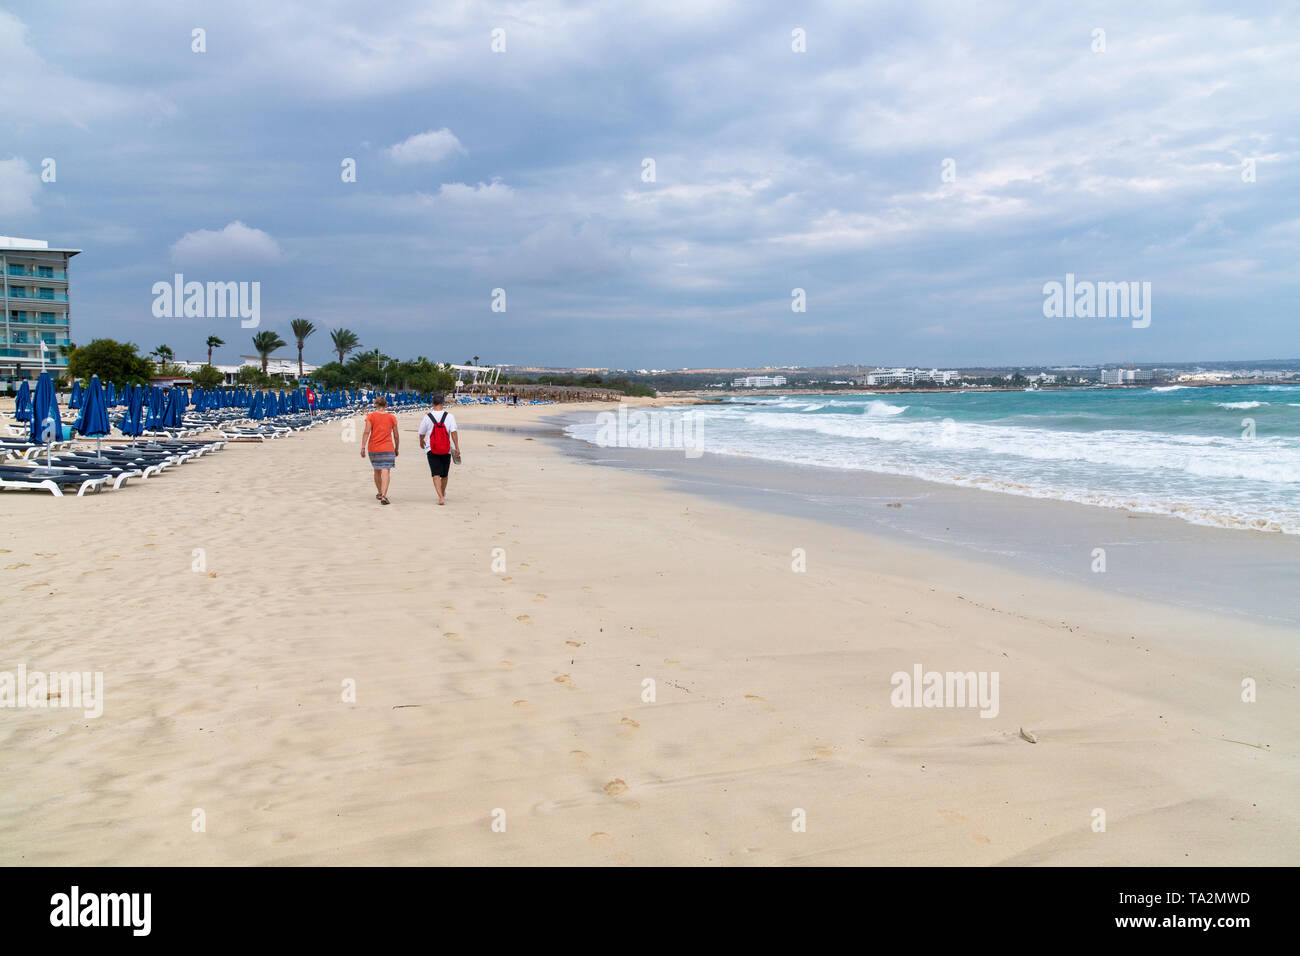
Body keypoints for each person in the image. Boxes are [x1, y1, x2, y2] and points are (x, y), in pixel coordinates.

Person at [417, 393, 461, 506]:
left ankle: (441, 497)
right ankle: (442, 493)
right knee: (444, 475)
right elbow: (454, 433)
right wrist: (457, 447)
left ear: (432, 404)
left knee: (435, 474)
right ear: (443, 404)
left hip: (432, 448)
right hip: (446, 448)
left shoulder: (428, 417)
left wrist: (421, 441)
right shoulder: (449, 416)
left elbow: (422, 432)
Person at [360, 395, 399, 505]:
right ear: (386, 405)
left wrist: (363, 447)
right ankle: (384, 496)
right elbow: (396, 435)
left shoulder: (370, 416)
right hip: (388, 447)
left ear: (375, 405)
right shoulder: (392, 417)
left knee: (377, 470)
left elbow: (366, 432)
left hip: (374, 448)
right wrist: (397, 448)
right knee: (385, 470)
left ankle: (379, 492)